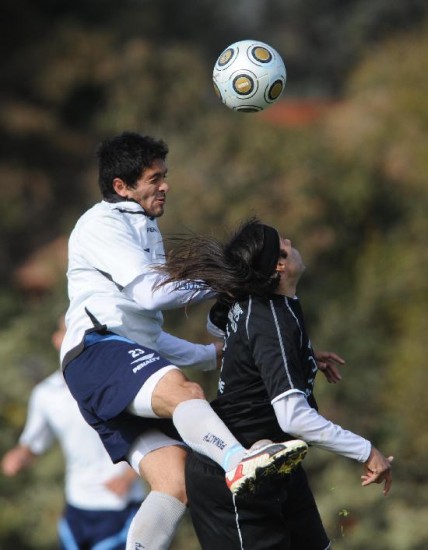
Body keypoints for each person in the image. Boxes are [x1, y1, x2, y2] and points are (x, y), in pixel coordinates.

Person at [60, 132, 307, 550]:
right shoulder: (102, 224)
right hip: (96, 351)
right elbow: (153, 295)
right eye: (155, 178)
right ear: (121, 187)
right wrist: (226, 279)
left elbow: (150, 336)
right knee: (183, 391)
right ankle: (237, 461)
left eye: (165, 176)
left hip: (113, 362)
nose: (165, 186)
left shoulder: (146, 230)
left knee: (175, 482)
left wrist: (214, 354)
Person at [155, 217, 394, 550]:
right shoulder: (271, 319)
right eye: (285, 243)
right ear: (280, 266)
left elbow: (219, 326)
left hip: (279, 463)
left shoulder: (257, 305)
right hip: (237, 481)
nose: (291, 243)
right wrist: (367, 451)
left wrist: (303, 355)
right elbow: (293, 418)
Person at [1, 317, 146, 550]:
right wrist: (19, 457)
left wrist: (127, 477)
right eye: (68, 331)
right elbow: (33, 444)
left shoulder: (120, 383)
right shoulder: (46, 394)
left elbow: (152, 436)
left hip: (121, 506)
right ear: (57, 340)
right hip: (77, 508)